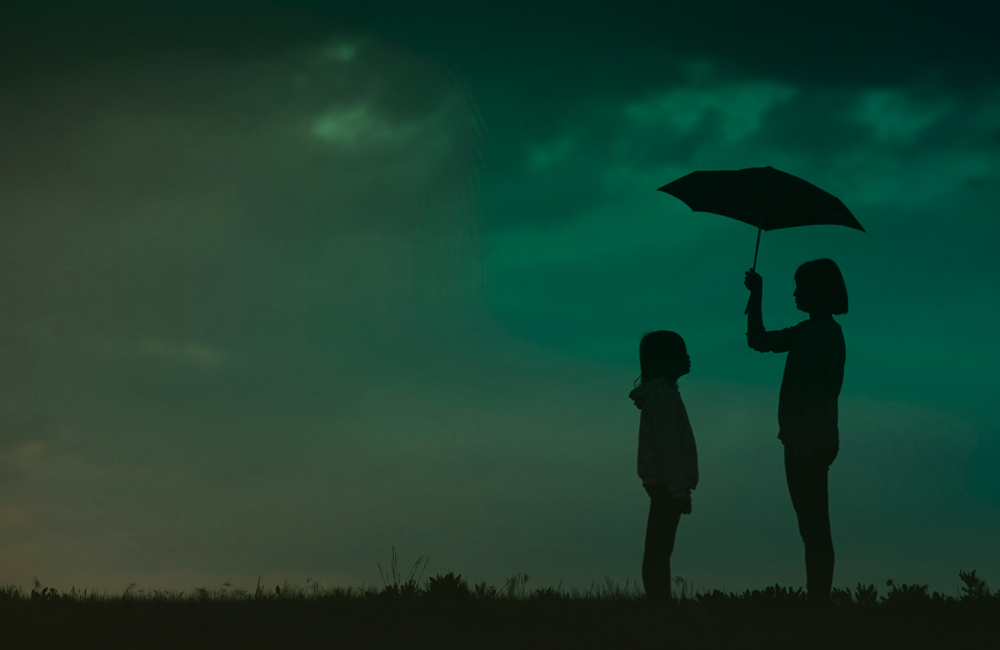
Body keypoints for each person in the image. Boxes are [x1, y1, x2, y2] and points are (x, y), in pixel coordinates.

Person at [744, 259, 848, 599]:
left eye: (801, 287)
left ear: (818, 291)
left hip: (810, 443)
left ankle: (819, 601)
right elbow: (759, 341)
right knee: (811, 524)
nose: (795, 293)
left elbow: (819, 395)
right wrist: (756, 295)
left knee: (815, 525)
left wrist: (803, 445)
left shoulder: (824, 334)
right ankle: (817, 598)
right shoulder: (809, 330)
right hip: (802, 441)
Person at [629, 330, 698, 602]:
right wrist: (679, 490)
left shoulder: (663, 395)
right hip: (666, 484)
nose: (688, 358)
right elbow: (669, 448)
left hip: (663, 483)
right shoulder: (663, 397)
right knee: (660, 547)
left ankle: (659, 600)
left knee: (659, 546)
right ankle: (659, 601)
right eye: (682, 353)